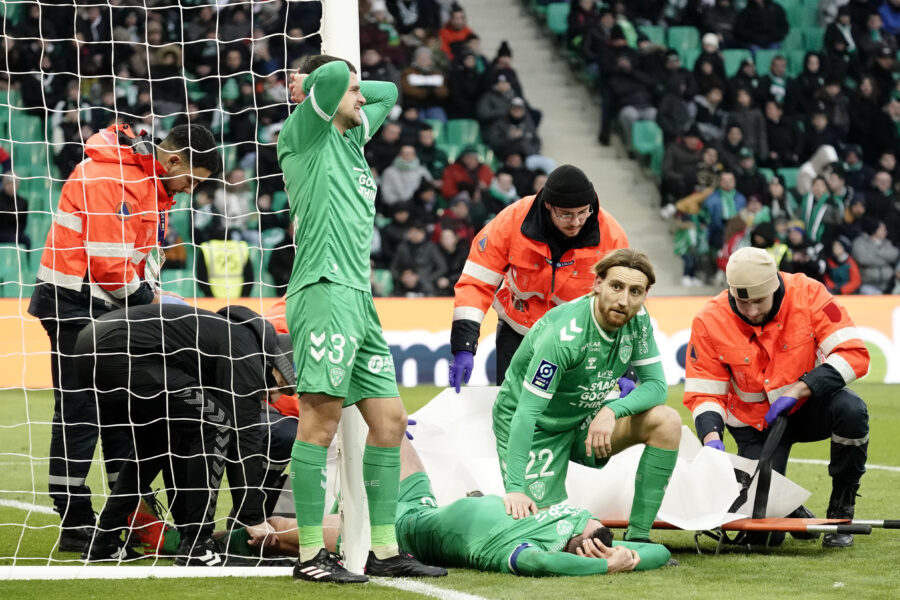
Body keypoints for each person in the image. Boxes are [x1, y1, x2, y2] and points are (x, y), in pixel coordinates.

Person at [278, 54, 444, 583]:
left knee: (390, 421)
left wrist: (351, 85)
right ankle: (309, 556)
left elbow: (390, 90)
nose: (360, 96)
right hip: (323, 290)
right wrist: (317, 82)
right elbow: (330, 83)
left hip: (360, 298)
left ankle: (384, 548)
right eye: (351, 89)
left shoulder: (352, 141)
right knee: (320, 423)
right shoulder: (305, 132)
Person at [26, 122, 218, 553]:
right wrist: (157, 306)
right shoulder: (112, 176)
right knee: (81, 413)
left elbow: (133, 261)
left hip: (104, 307)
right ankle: (74, 518)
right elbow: (111, 268)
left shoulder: (146, 182)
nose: (189, 190)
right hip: (74, 304)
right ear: (172, 161)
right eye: (191, 179)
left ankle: (127, 514)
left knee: (121, 414)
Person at [130, 438, 673, 575]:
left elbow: (548, 565)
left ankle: (175, 539)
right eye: (600, 535)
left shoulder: (528, 549)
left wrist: (602, 565)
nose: (597, 534)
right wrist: (618, 554)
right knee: (392, 428)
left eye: (600, 540)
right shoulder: (573, 518)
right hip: (425, 503)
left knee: (285, 538)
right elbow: (651, 552)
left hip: (405, 535)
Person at [75, 304, 292, 565]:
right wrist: (253, 517)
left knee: (159, 442)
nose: (274, 396)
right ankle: (198, 545)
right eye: (280, 385)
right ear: (275, 362)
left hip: (94, 348)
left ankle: (103, 540)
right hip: (122, 351)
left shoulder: (229, 335)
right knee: (217, 423)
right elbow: (245, 436)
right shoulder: (246, 353)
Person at [684, 247, 870, 547]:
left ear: (774, 286)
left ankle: (842, 506)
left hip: (809, 408)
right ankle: (788, 507)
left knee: (852, 410)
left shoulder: (809, 294)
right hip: (754, 427)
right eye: (742, 302)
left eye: (758, 300)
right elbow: (704, 393)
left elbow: (854, 355)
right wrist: (711, 438)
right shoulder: (709, 320)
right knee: (764, 540)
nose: (752, 310)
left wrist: (801, 389)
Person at [491, 249, 680, 545]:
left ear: (646, 294)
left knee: (666, 422)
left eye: (635, 292)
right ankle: (482, 501)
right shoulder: (564, 335)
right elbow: (525, 413)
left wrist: (611, 411)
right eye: (616, 287)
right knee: (548, 536)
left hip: (585, 419)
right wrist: (515, 487)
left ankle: (640, 537)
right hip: (537, 427)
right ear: (597, 284)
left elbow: (656, 387)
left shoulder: (638, 318)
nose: (624, 300)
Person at [449, 164, 628, 388]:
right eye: (566, 214)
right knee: (509, 411)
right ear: (548, 206)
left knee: (568, 416)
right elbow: (476, 282)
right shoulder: (512, 222)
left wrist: (624, 366)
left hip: (578, 337)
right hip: (517, 329)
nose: (575, 222)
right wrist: (463, 345)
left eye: (583, 212)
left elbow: (624, 303)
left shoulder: (611, 235)